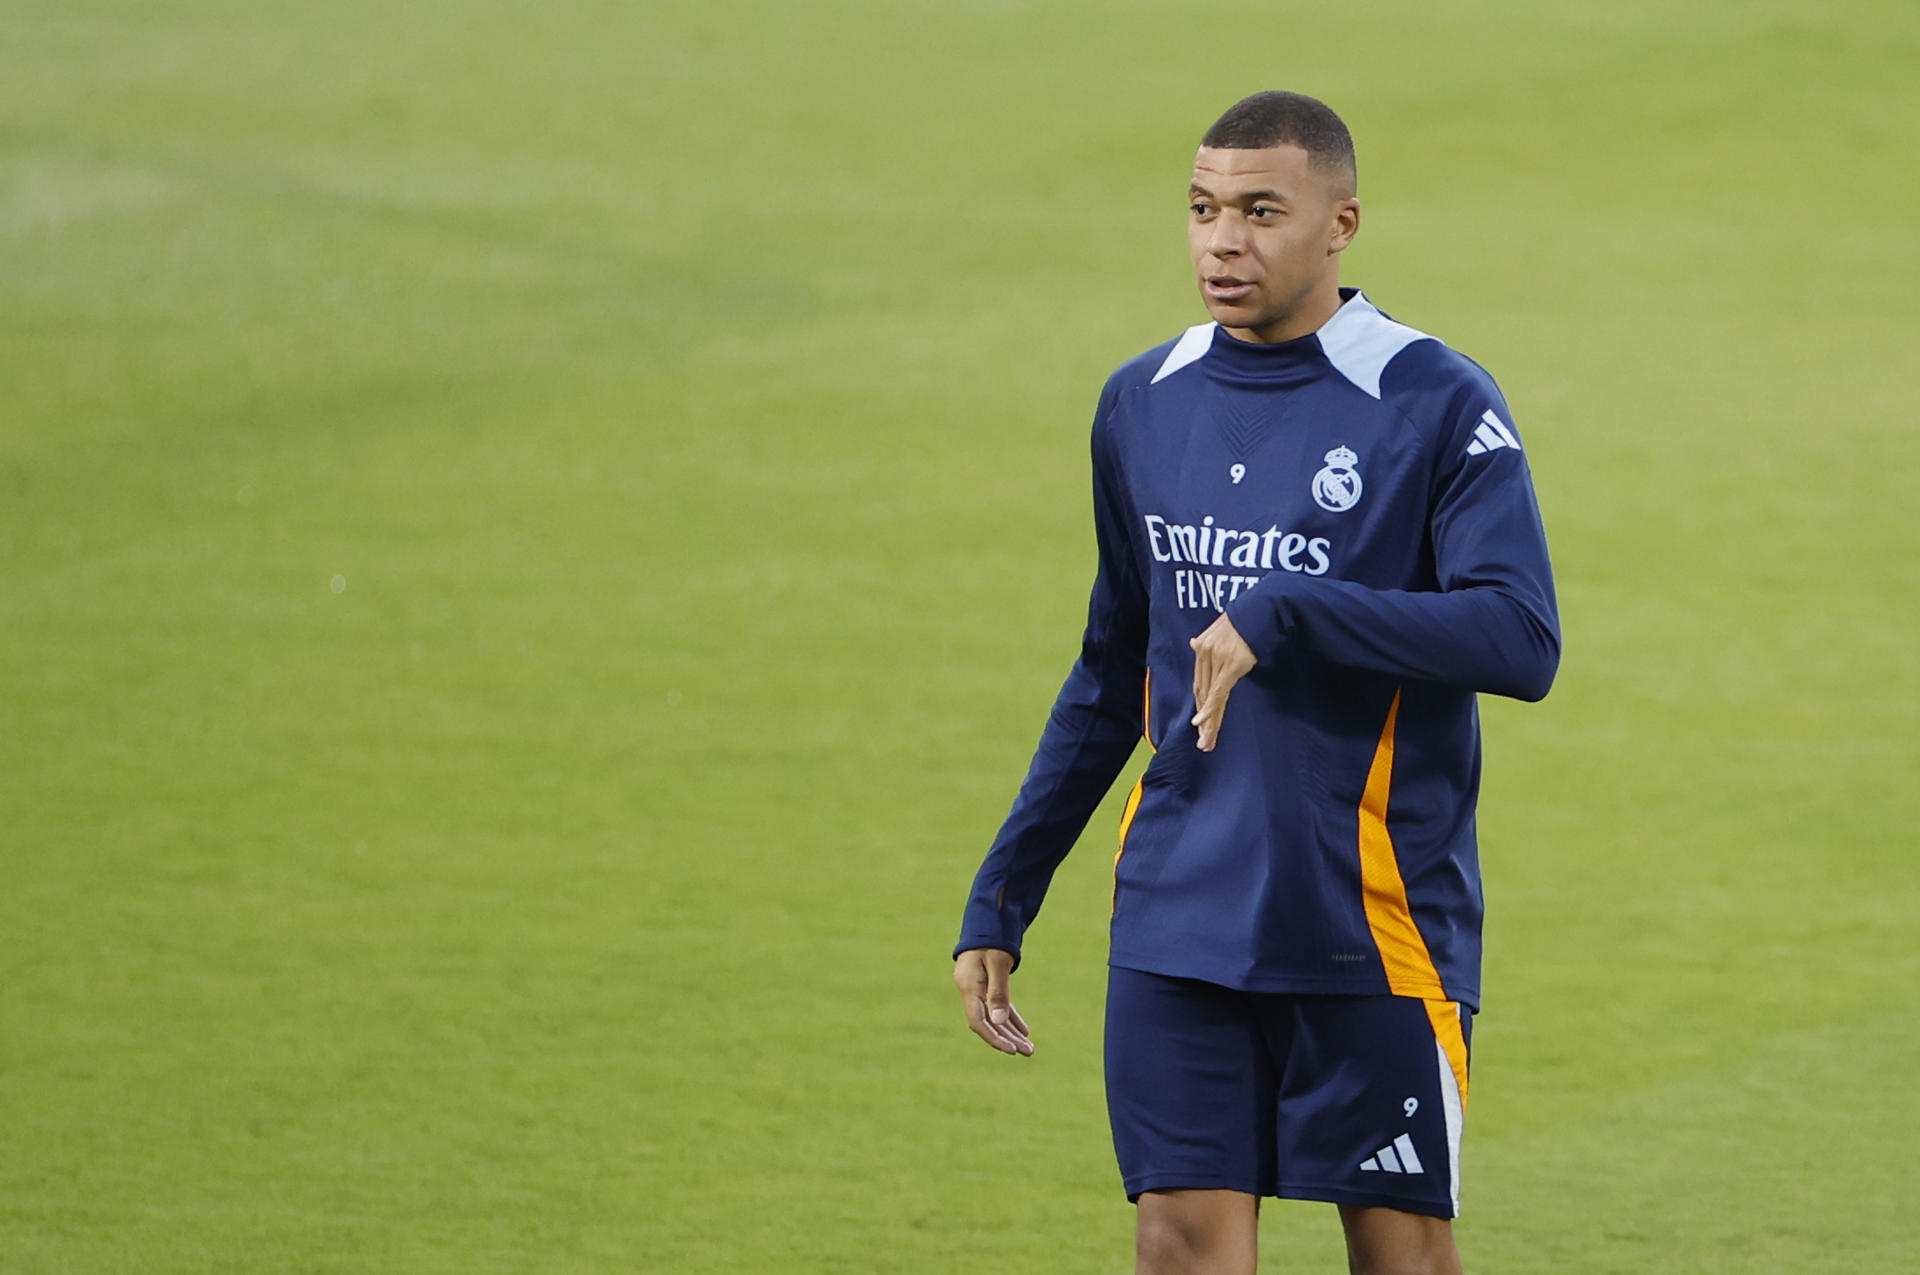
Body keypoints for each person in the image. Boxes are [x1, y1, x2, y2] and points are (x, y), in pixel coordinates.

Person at [951, 91, 1560, 1275]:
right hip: (1179, 912)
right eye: (1202, 210)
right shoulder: (1144, 402)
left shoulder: (1434, 402)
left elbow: (1518, 639)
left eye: (1261, 212)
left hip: (1370, 921)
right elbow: (1108, 673)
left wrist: (1290, 613)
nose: (1223, 242)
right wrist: (1005, 890)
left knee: (1402, 1256)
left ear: (1341, 225)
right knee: (1178, 1244)